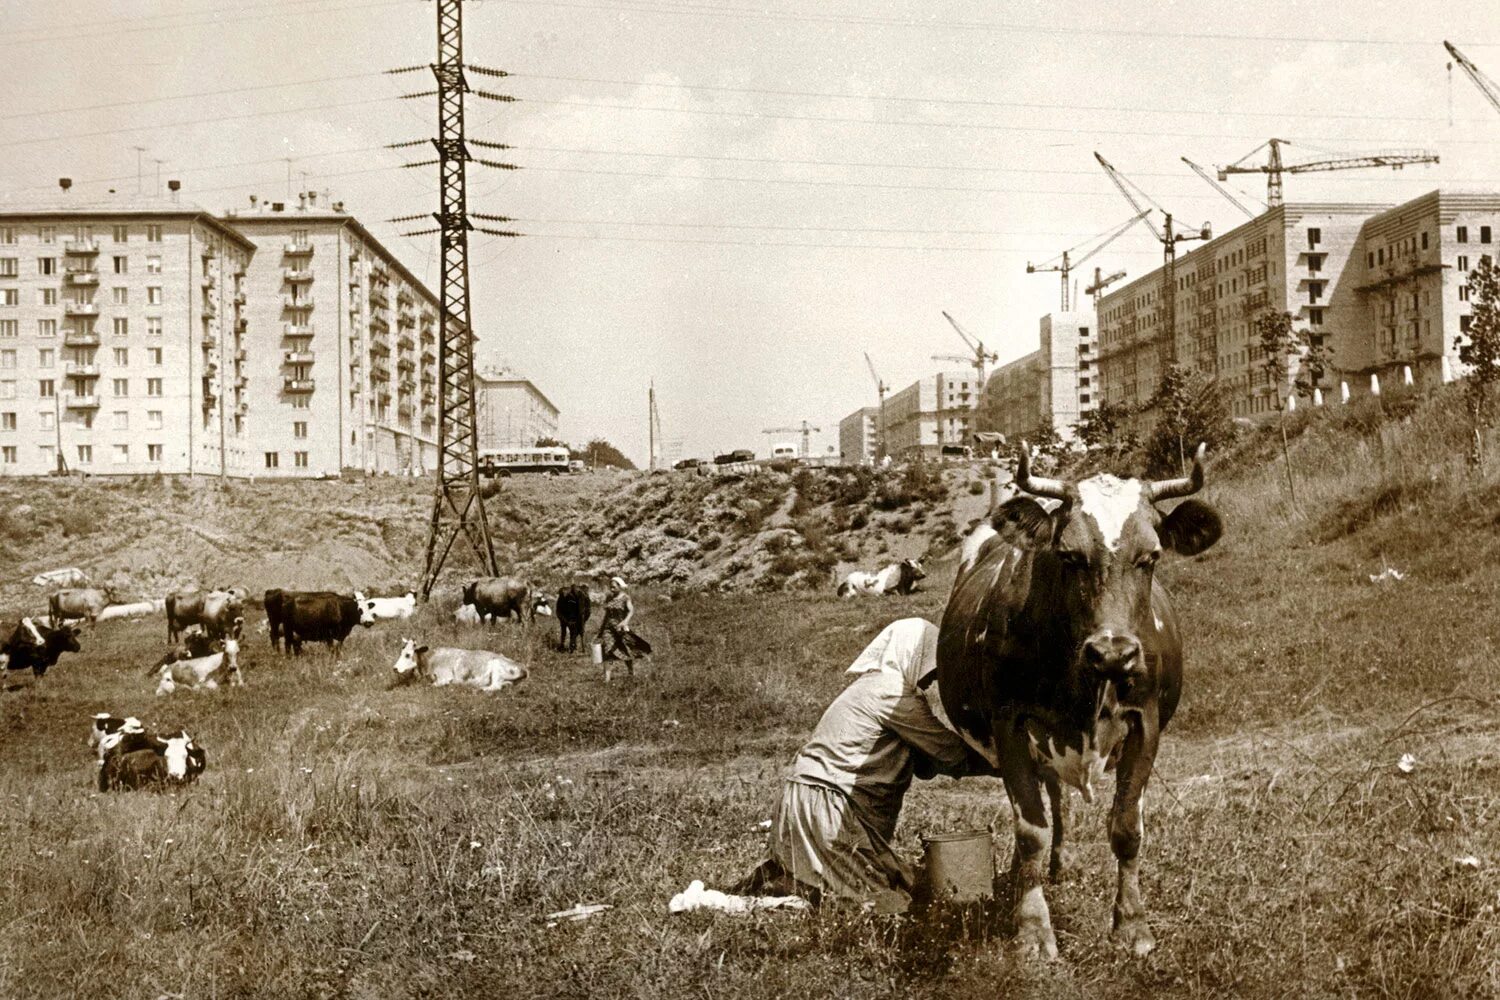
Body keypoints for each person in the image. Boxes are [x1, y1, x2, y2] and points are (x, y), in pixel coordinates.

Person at [737, 617, 995, 913]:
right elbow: (949, 754)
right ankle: (760, 898)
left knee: (899, 881)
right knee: (885, 903)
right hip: (828, 809)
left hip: (810, 802)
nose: (934, 678)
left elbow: (925, 764)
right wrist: (1003, 764)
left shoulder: (874, 686)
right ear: (913, 654)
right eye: (930, 665)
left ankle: (789, 880)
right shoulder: (892, 693)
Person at [596, 576, 651, 680]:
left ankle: (630, 671)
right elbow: (607, 615)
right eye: (610, 587)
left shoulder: (625, 597)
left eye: (614, 587)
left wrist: (625, 621)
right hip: (608, 629)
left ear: (620, 586)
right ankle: (607, 679)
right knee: (608, 651)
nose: (611, 589)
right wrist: (601, 630)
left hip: (620, 629)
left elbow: (631, 610)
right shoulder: (609, 598)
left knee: (625, 650)